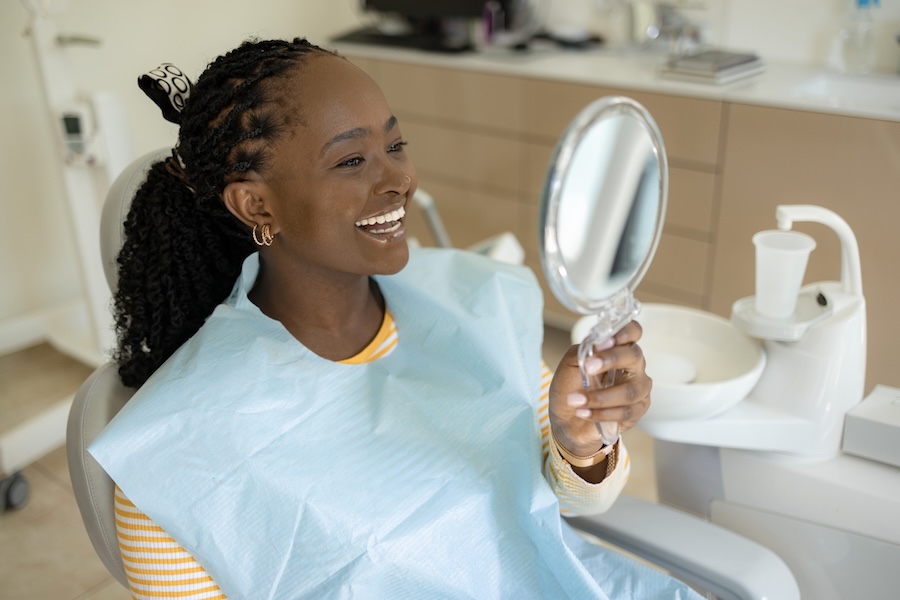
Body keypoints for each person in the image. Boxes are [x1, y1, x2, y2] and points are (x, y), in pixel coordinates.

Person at [89, 38, 701, 599]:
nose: (400, 180)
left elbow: (574, 500)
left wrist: (581, 441)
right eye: (351, 161)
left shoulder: (471, 305)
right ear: (256, 203)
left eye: (395, 145)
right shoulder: (176, 452)